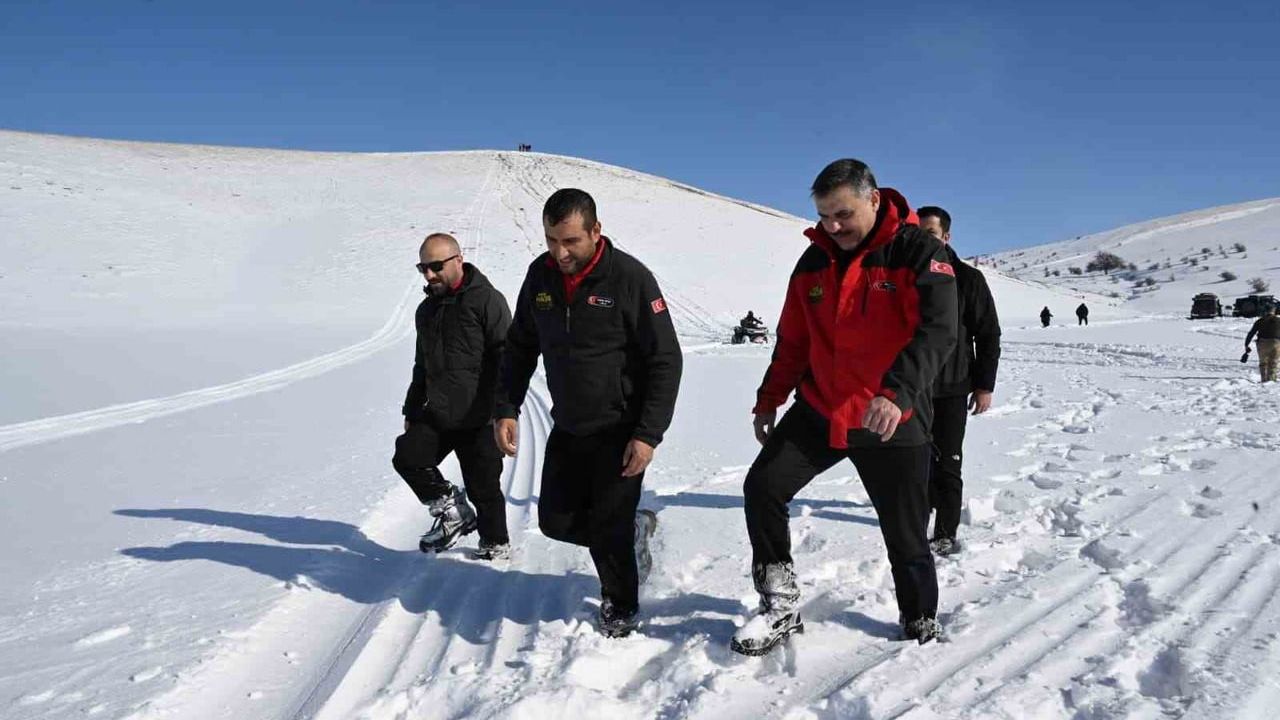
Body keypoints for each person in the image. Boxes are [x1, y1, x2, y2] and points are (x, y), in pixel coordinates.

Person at [734, 159, 958, 655]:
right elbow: (793, 339)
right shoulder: (813, 262)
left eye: (843, 214)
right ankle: (779, 605)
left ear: (874, 199)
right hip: (821, 408)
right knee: (763, 488)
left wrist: (896, 393)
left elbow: (937, 331)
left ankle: (920, 618)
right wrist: (769, 399)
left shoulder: (917, 252)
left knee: (904, 532)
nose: (833, 227)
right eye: (824, 216)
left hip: (890, 419)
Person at [495, 188, 683, 638]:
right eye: (550, 240)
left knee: (607, 522)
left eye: (570, 241)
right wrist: (506, 407)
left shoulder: (630, 279)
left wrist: (648, 434)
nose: (559, 252)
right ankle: (631, 534)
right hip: (571, 423)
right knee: (555, 522)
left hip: (621, 428)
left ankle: (621, 604)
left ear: (596, 232)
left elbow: (666, 359)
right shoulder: (539, 277)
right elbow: (520, 345)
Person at [394, 233, 512, 559]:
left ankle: (495, 547)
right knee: (408, 456)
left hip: (481, 417)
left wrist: (505, 412)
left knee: (484, 488)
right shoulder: (425, 311)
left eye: (435, 266)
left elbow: (508, 357)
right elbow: (422, 365)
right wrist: (412, 409)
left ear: (458, 260)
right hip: (441, 414)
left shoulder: (487, 301)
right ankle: (452, 512)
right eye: (423, 268)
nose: (429, 275)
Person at [917, 206, 1001, 558]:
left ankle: (945, 533)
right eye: (918, 232)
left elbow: (989, 334)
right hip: (911, 387)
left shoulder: (968, 279)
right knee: (914, 462)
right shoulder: (903, 276)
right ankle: (915, 522)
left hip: (952, 385)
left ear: (946, 237)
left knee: (948, 461)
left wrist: (984, 385)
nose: (923, 240)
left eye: (930, 233)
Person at [1245, 306, 1280, 382]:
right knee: (1273, 363)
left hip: (1262, 343)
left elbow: (1251, 333)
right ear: (1274, 311)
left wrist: (1246, 345)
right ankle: (1271, 380)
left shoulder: (1260, 321)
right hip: (1276, 343)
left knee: (1263, 363)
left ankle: (1264, 380)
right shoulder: (1279, 320)